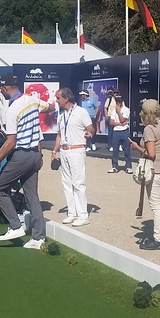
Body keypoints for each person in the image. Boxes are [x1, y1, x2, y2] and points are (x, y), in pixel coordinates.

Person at [0, 73, 50, 249]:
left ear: (6, 88)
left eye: (1, 88)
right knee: (32, 196)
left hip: (21, 155)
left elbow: (10, 142)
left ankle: (15, 226)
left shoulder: (12, 109)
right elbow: (50, 107)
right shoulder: (32, 100)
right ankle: (38, 238)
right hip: (35, 155)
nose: (0, 91)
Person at [129, 99, 160, 250]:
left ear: (146, 113)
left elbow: (151, 154)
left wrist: (137, 147)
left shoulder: (149, 129)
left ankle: (157, 238)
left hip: (154, 171)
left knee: (155, 205)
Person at [51, 88, 94, 227]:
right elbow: (59, 134)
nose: (56, 100)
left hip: (76, 150)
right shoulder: (62, 115)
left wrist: (89, 132)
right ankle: (72, 213)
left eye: (58, 98)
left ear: (66, 99)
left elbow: (91, 128)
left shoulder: (81, 112)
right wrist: (54, 151)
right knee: (67, 183)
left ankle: (83, 215)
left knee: (78, 183)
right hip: (64, 151)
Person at [108, 94, 132, 173]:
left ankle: (128, 166)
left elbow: (122, 119)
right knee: (115, 150)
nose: (118, 103)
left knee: (126, 149)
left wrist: (118, 112)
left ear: (122, 102)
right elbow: (111, 122)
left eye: (119, 101)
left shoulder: (126, 110)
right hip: (116, 132)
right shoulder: (113, 111)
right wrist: (120, 124)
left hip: (124, 131)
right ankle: (114, 166)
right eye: (117, 101)